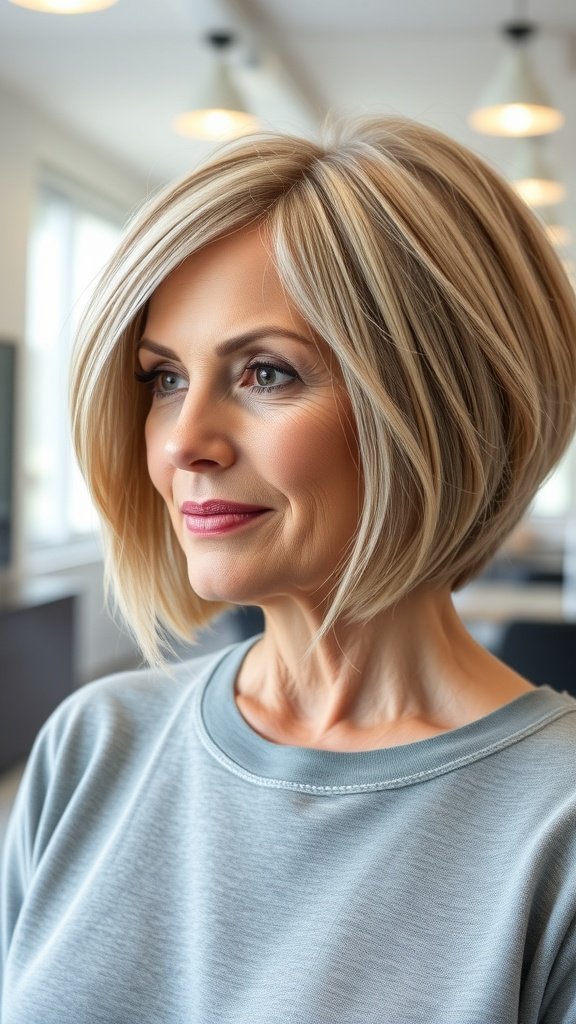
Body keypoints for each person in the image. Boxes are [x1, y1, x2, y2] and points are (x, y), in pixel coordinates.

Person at [2, 115, 576, 1024]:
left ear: (442, 406)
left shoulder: (556, 827)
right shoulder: (94, 744)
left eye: (265, 373)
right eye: (165, 378)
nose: (183, 444)